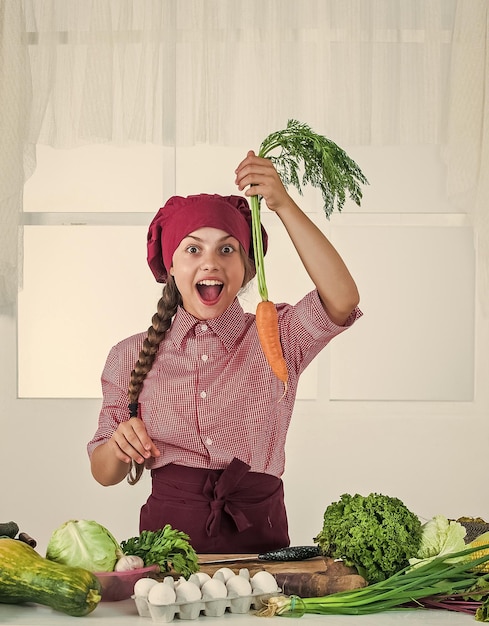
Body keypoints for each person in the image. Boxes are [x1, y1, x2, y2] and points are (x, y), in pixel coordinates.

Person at [87, 150, 362, 554]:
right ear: (171, 265)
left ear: (247, 267)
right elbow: (103, 472)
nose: (211, 263)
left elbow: (341, 299)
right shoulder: (129, 355)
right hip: (164, 556)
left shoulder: (279, 337)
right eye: (193, 250)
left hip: (262, 550)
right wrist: (118, 446)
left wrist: (282, 204)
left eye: (227, 249)